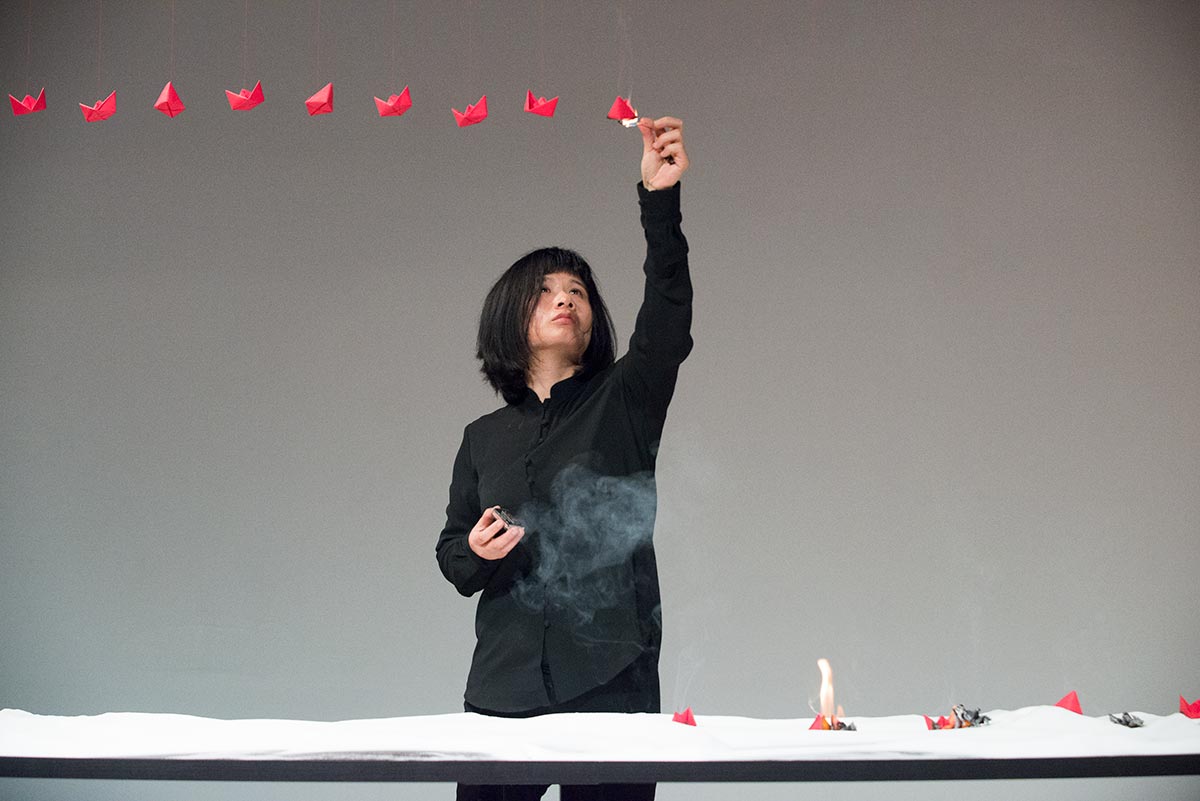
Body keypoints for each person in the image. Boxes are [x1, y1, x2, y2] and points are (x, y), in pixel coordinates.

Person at [436, 116, 691, 801]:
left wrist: (658, 200)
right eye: (548, 290)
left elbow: (668, 312)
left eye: (577, 290)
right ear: (512, 317)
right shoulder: (481, 437)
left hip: (611, 678)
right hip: (502, 684)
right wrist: (480, 552)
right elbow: (453, 556)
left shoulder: (626, 398)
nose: (567, 298)